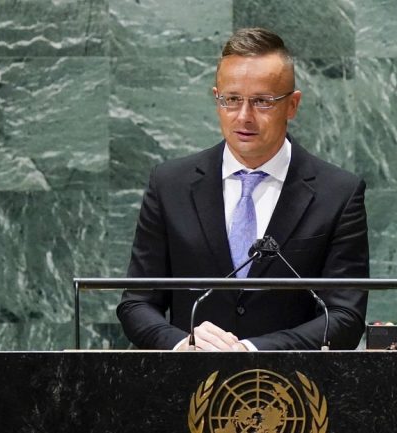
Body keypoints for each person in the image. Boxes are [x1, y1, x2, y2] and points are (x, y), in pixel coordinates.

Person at [117, 27, 369, 351]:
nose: (244, 116)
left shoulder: (338, 194)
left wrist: (251, 350)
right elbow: (136, 303)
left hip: (291, 380)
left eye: (262, 102)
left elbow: (345, 316)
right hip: (189, 378)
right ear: (217, 98)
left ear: (292, 105)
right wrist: (182, 344)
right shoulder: (170, 185)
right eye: (232, 100)